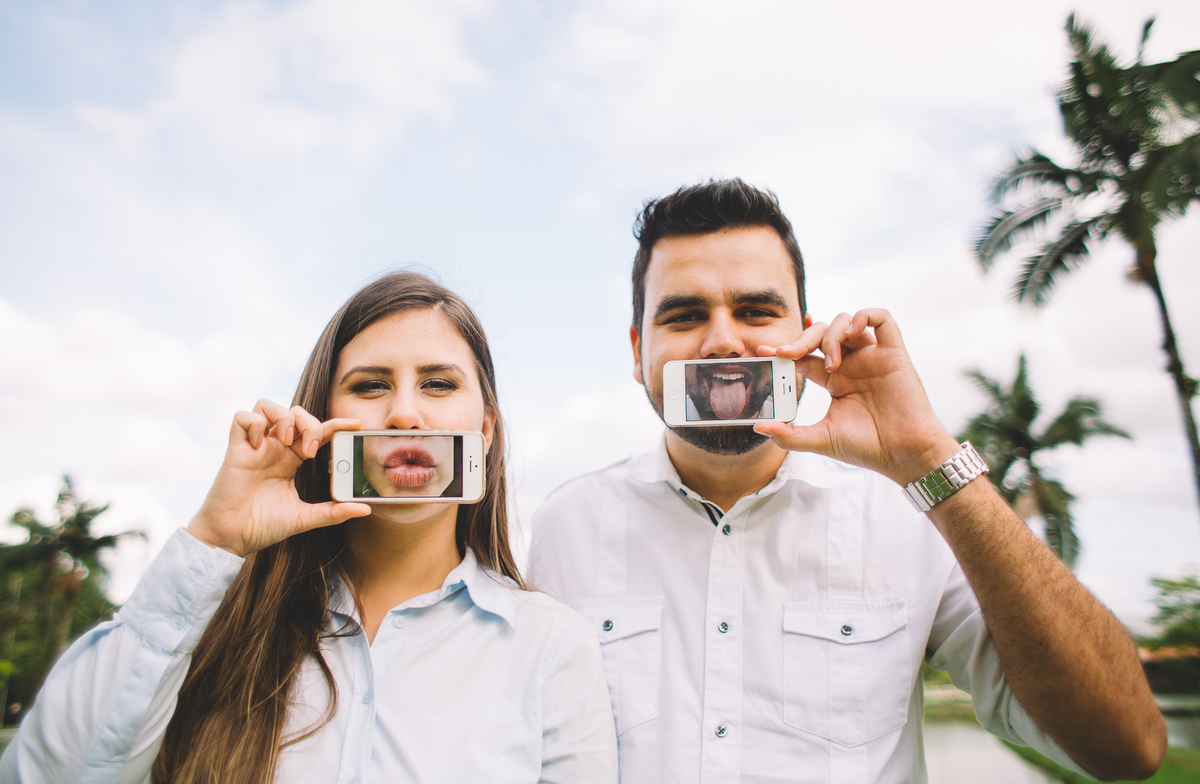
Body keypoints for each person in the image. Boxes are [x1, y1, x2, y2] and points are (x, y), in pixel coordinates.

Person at [526, 180, 1166, 783]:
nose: (723, 340)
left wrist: (926, 456)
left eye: (755, 310)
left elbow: (1126, 747)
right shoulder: (566, 525)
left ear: (805, 335)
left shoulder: (903, 515)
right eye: (684, 316)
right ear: (638, 351)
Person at [1, 272, 617, 784]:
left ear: (484, 430)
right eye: (370, 386)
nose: (405, 413)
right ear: (322, 427)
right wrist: (214, 539)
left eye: (438, 383)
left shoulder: (551, 646)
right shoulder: (214, 622)